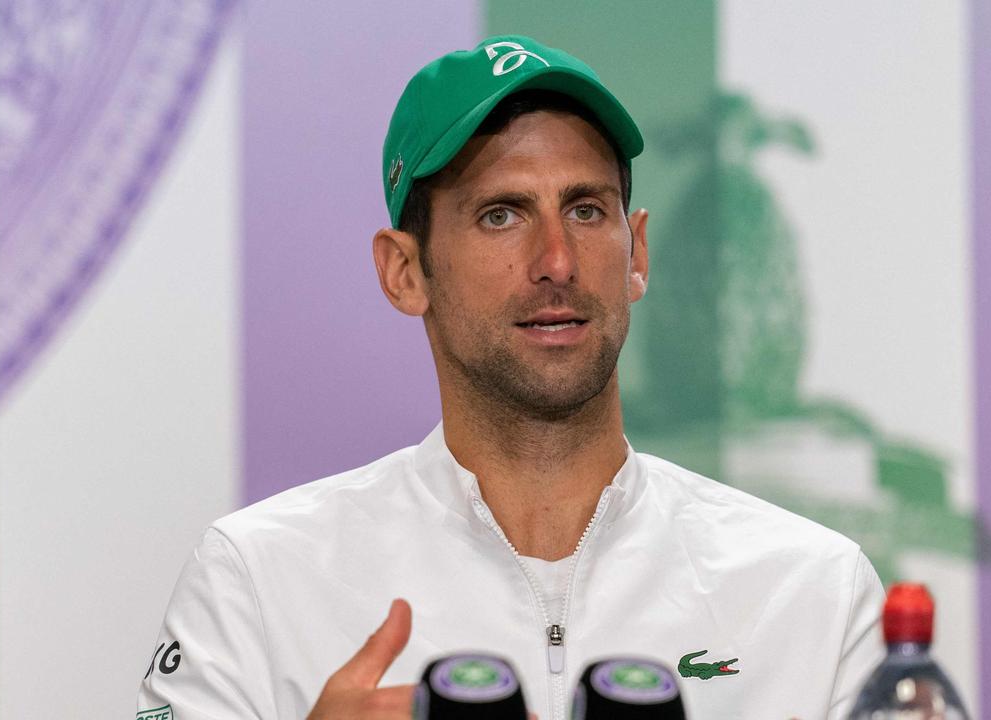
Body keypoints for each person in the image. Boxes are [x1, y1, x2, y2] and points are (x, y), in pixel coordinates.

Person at [137, 35, 885, 720]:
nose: (556, 260)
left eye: (587, 210)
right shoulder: (258, 580)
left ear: (637, 255)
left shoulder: (814, 591)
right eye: (502, 215)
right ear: (404, 272)